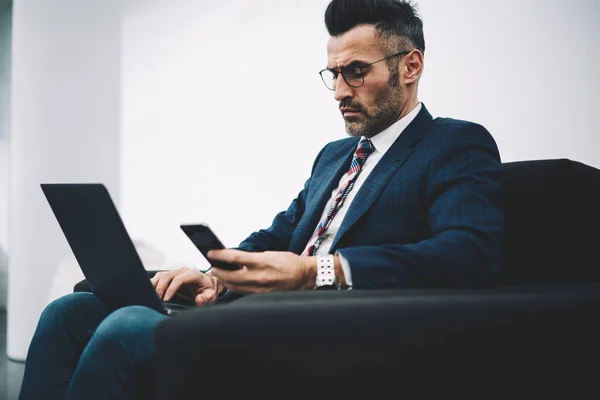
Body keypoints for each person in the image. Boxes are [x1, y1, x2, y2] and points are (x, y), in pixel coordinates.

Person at [18, 0, 504, 399]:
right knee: (67, 312)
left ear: (410, 66)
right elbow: (280, 232)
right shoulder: (335, 156)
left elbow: (470, 254)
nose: (339, 91)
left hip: (339, 327)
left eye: (355, 72)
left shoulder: (454, 144)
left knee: (127, 326)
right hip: (262, 309)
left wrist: (319, 272)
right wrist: (213, 275)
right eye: (332, 74)